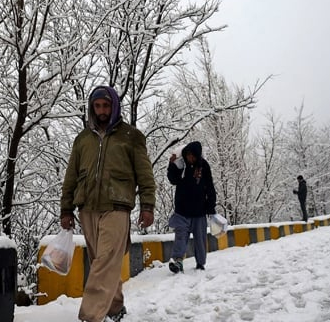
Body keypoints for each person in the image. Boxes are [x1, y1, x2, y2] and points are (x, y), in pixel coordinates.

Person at [60, 85, 157, 322]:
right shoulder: (82, 139)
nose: (102, 110)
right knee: (101, 261)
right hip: (87, 208)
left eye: (106, 105)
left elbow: (145, 174)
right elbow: (71, 175)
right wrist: (66, 208)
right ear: (92, 108)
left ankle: (90, 317)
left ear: (114, 106)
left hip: (117, 205)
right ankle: (114, 308)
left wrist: (147, 205)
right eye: (97, 106)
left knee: (104, 261)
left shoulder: (131, 136)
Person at [166, 141, 216, 273]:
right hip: (182, 211)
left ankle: (200, 263)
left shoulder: (204, 166)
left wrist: (211, 207)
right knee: (180, 238)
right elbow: (173, 179)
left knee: (200, 240)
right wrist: (171, 165)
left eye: (192, 156)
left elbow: (210, 187)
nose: (190, 158)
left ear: (197, 155)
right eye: (188, 155)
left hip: (199, 212)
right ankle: (177, 261)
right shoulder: (181, 165)